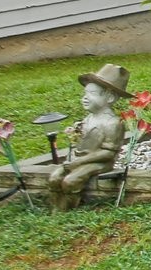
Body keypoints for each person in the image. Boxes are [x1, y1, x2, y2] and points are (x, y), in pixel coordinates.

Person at [46, 64, 129, 212]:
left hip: (99, 162)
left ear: (110, 97)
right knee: (54, 178)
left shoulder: (113, 123)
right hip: (79, 159)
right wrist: (72, 155)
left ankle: (66, 210)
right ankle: (55, 208)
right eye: (85, 93)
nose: (85, 98)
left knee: (71, 181)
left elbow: (108, 153)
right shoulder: (87, 120)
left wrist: (79, 162)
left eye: (92, 93)